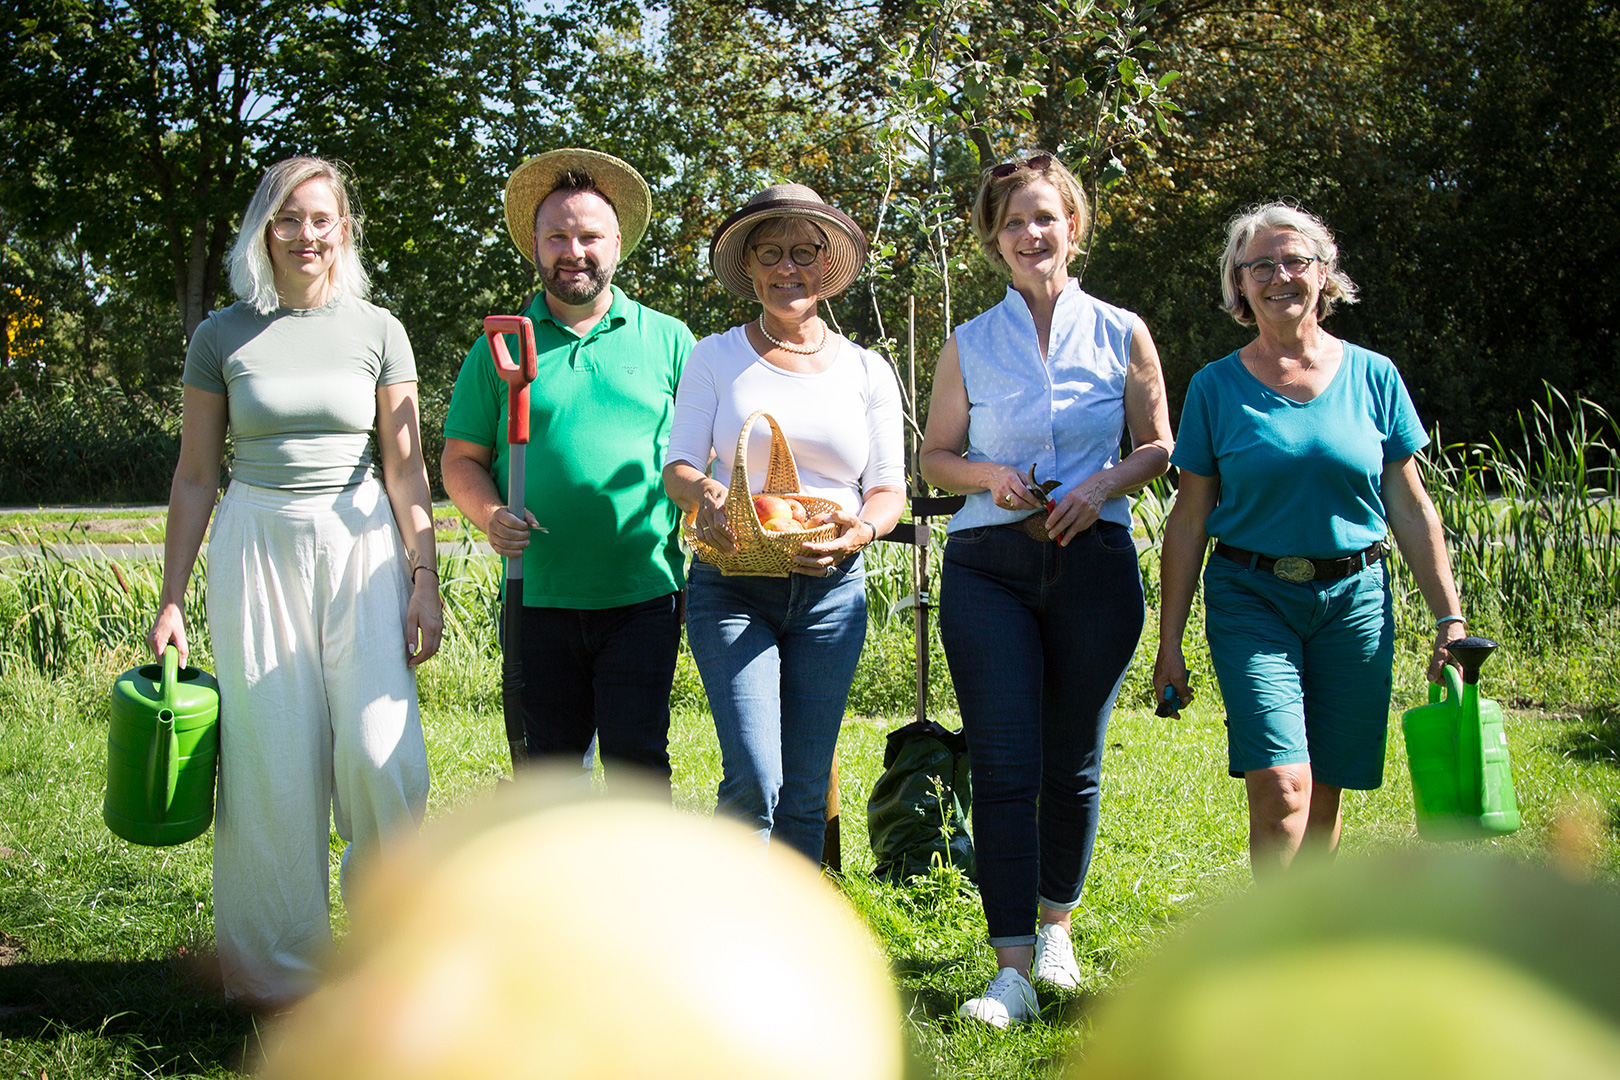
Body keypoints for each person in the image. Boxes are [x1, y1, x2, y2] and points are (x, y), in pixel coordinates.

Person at [147, 156, 440, 1007]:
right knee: (271, 756)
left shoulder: (380, 329)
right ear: (262, 230)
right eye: (287, 218)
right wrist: (171, 598)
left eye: (322, 218)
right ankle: (279, 975)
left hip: (363, 543)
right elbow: (196, 475)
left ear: (343, 229)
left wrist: (425, 578)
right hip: (257, 541)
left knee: (383, 755)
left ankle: (396, 953)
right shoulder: (222, 336)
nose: (306, 234)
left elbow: (408, 472)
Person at [919, 152, 1173, 1026]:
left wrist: (1100, 486)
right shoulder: (968, 343)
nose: (1033, 234)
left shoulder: (1122, 330)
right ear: (993, 239)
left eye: (1046, 217)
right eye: (1014, 222)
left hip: (1094, 569)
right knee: (1003, 760)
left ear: (1074, 225)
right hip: (989, 571)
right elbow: (936, 456)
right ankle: (1011, 972)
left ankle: (1057, 929)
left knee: (1071, 760)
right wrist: (989, 474)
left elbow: (1157, 445)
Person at [1152, 202, 1468, 880]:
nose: (1279, 276)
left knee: (1324, 792)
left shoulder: (1374, 376)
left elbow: (1410, 507)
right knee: (1283, 788)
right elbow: (1188, 519)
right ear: (1238, 284)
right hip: (1252, 599)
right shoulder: (1214, 387)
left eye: (1295, 260)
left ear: (1324, 275)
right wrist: (1169, 642)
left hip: (1354, 603)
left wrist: (1450, 618)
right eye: (1259, 264)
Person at [662, 184, 905, 862]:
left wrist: (862, 531)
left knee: (802, 788)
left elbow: (888, 489)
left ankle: (790, 948)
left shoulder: (866, 370)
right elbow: (677, 467)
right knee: (755, 778)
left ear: (827, 266)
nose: (786, 268)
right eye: (770, 253)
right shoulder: (715, 357)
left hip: (832, 594)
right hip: (734, 587)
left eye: (803, 252)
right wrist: (708, 494)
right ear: (750, 268)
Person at [441, 149, 695, 788]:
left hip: (644, 593)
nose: (572, 250)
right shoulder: (500, 343)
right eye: (557, 235)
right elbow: (461, 458)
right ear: (534, 243)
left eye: (589, 235)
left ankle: (638, 890)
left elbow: (702, 455)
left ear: (618, 243)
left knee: (639, 763)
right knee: (549, 774)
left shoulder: (669, 340)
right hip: (537, 597)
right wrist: (490, 513)